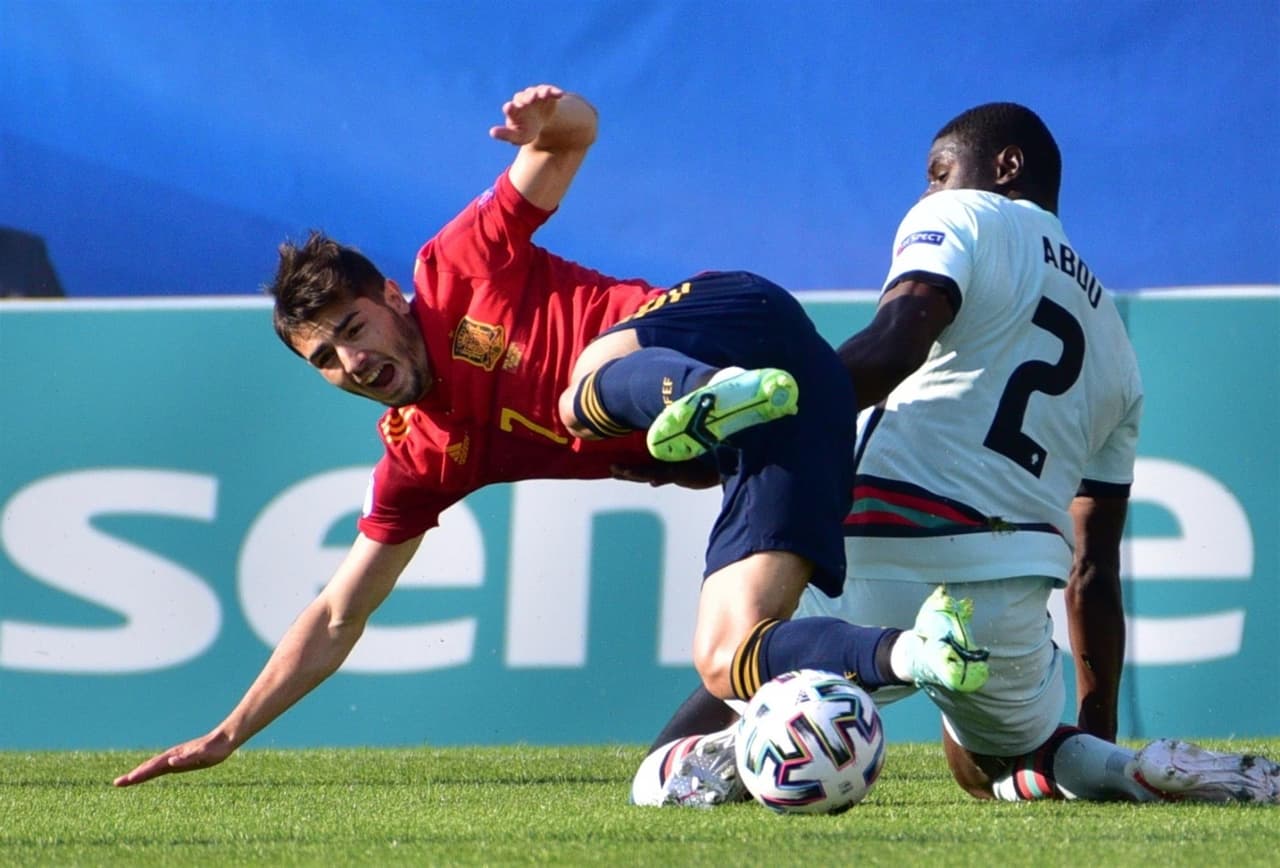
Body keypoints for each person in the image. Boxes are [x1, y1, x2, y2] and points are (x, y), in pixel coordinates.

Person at [113, 84, 989, 788]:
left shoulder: (455, 264)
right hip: (787, 425)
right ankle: (919, 648)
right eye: (326, 360)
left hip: (728, 317)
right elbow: (339, 613)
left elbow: (572, 138)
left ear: (387, 295)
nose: (352, 361)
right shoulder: (420, 455)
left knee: (580, 397)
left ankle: (707, 394)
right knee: (727, 661)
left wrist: (551, 115)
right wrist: (229, 732)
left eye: (352, 327)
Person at [631, 102, 1279, 807]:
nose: (928, 194)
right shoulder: (1119, 355)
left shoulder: (967, 216)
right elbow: (1092, 566)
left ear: (1005, 168)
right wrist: (1097, 731)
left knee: (681, 742)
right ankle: (1129, 769)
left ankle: (755, 740)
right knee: (990, 769)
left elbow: (893, 347)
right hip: (1008, 582)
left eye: (938, 174)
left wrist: (756, 434)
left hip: (885, 530)